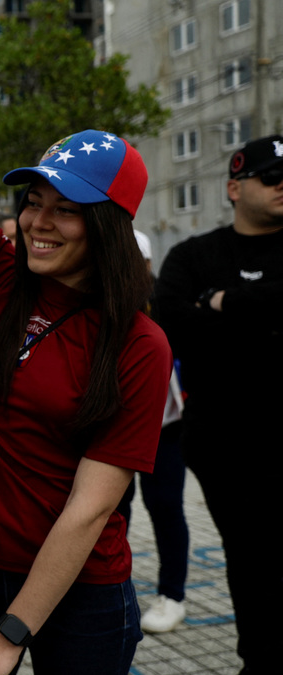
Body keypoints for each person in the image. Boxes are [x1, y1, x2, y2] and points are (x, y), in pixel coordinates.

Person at [0, 130, 171, 675]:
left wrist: (9, 637)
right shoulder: (3, 275)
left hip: (79, 595)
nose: (37, 223)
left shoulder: (140, 345)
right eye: (33, 203)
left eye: (66, 210)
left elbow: (90, 509)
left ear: (109, 227)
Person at [154, 134, 283, 674]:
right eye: (272, 178)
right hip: (222, 441)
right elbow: (175, 329)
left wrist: (226, 303)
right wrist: (264, 318)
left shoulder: (205, 273)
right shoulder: (192, 256)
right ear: (235, 186)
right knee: (251, 559)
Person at [115, 230, 190, 634]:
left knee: (165, 507)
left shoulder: (164, 302)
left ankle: (172, 594)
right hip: (114, 428)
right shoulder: (98, 300)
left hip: (165, 427)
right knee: (113, 509)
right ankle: (113, 585)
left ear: (146, 264)